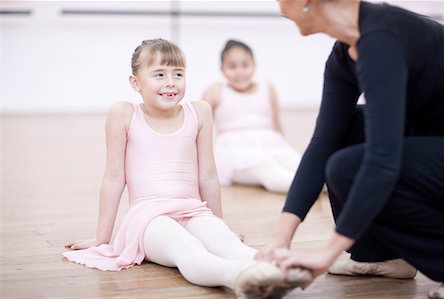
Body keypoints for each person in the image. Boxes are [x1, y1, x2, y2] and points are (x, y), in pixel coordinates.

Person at [62, 38, 311, 298]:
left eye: (178, 74)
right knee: (187, 249)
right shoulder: (123, 114)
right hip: (149, 218)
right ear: (135, 82)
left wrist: (219, 224)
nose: (171, 82)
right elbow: (113, 178)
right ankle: (239, 277)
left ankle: (278, 270)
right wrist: (101, 239)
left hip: (192, 210)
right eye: (159, 74)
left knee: (224, 241)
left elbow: (208, 175)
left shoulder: (199, 112)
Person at [256, 1, 444, 298]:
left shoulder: (381, 37)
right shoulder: (344, 56)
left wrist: (326, 254)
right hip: (432, 144)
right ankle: (379, 257)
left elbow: (382, 162)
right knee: (347, 129)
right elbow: (321, 145)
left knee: (349, 167)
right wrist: (280, 241)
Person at [202, 39, 301, 193]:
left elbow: (276, 124)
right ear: (222, 69)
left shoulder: (267, 88)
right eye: (232, 66)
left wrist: (284, 145)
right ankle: (307, 188)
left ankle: (319, 184)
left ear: (253, 64)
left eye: (245, 65)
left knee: (299, 164)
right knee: (264, 166)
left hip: (272, 144)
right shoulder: (216, 91)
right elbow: (200, 127)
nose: (240, 71)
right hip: (235, 151)